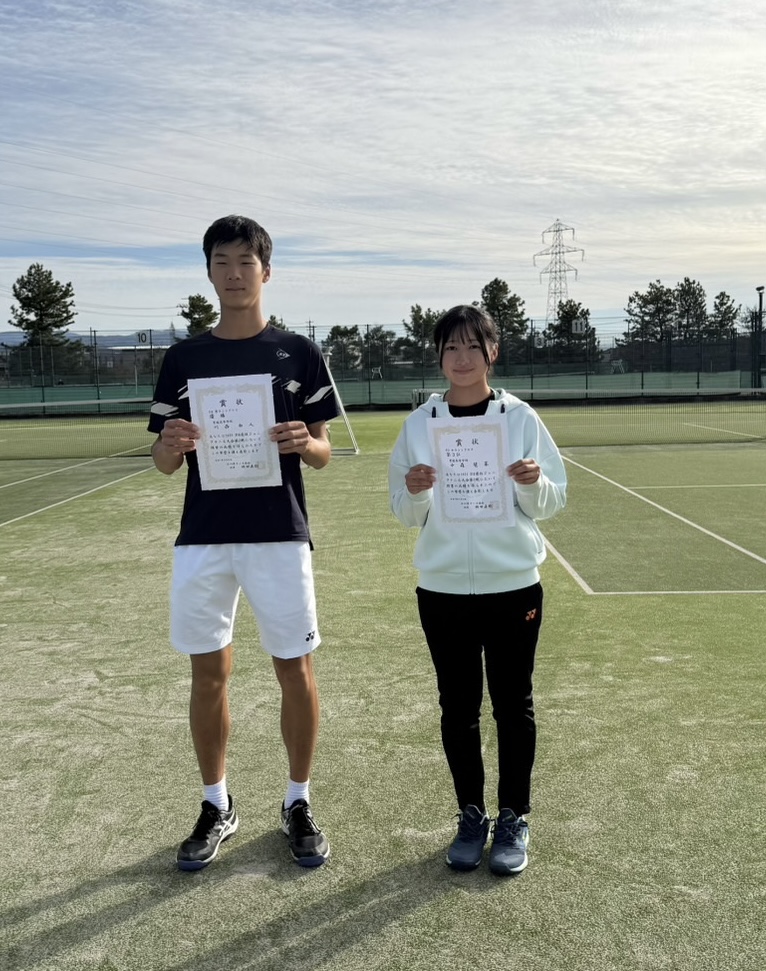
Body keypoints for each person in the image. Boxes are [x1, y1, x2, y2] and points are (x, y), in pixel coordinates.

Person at [148, 214, 339, 870]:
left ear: (266, 270)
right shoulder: (184, 358)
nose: (234, 274)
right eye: (221, 262)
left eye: (245, 262)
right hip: (204, 537)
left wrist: (304, 442)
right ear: (209, 273)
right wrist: (169, 443)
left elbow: (323, 452)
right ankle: (216, 803)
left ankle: (298, 801)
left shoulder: (299, 352)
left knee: (296, 668)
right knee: (208, 673)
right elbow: (163, 461)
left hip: (279, 533)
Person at [388, 305, 567, 876]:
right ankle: (471, 815)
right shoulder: (420, 423)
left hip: (513, 585)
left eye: (472, 346)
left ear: (492, 352)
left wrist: (533, 484)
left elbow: (555, 498)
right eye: (450, 348)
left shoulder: (520, 418)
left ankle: (514, 816)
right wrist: (416, 490)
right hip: (442, 589)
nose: (461, 358)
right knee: (458, 708)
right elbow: (402, 509)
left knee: (514, 706)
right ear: (438, 356)